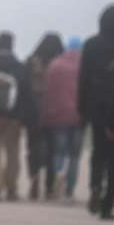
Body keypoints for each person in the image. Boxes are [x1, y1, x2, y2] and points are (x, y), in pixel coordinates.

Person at [77, 4, 114, 220]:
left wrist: (82, 108)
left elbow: (83, 79)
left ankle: (95, 185)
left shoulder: (91, 45)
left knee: (98, 151)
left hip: (97, 106)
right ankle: (109, 201)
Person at [0, 31, 32, 201]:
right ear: (12, 45)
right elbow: (27, 94)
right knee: (13, 152)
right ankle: (11, 189)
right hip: (14, 117)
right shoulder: (19, 66)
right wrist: (28, 118)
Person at [41, 36, 83, 202]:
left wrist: (47, 114)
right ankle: (69, 192)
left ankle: (58, 173)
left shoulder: (55, 65)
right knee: (74, 156)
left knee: (58, 152)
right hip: (79, 117)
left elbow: (48, 92)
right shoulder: (85, 66)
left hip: (58, 116)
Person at [24, 33, 64, 200]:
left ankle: (34, 178)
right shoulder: (60, 64)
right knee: (52, 149)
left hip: (33, 111)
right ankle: (49, 187)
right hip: (54, 112)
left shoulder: (30, 61)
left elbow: (23, 86)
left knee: (33, 147)